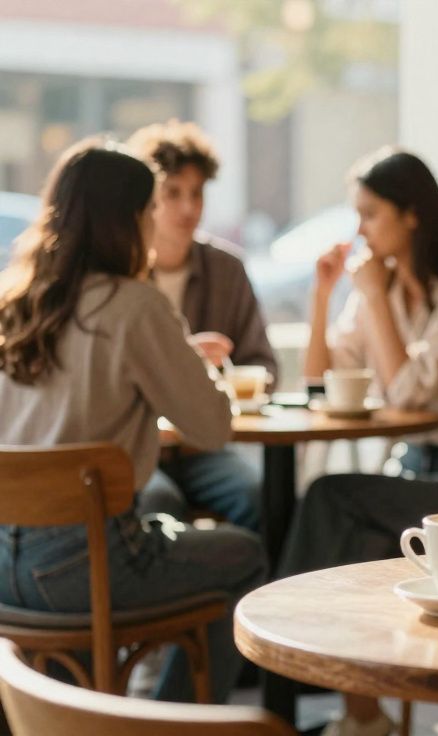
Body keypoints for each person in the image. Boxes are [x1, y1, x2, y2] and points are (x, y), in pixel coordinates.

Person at [0, 138, 266, 703]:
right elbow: (213, 428)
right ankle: (167, 723)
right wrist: (187, 359)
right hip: (87, 566)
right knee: (243, 554)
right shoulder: (134, 306)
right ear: (129, 221)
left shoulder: (15, 304)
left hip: (4, 566)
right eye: (150, 210)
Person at [279, 147, 438, 736]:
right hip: (413, 473)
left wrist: (371, 298)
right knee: (353, 530)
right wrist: (322, 296)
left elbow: (409, 393)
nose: (359, 230)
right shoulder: (381, 288)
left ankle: (282, 659)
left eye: (370, 215)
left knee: (332, 496)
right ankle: (362, 717)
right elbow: (319, 380)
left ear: (411, 214)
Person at [126, 120, 275, 532]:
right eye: (173, 193)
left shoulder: (227, 271)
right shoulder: (124, 276)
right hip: (138, 447)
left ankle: (257, 576)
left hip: (204, 449)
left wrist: (219, 380)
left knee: (260, 495)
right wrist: (183, 359)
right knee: (157, 501)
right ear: (146, 199)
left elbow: (263, 366)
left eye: (197, 193)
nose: (189, 208)